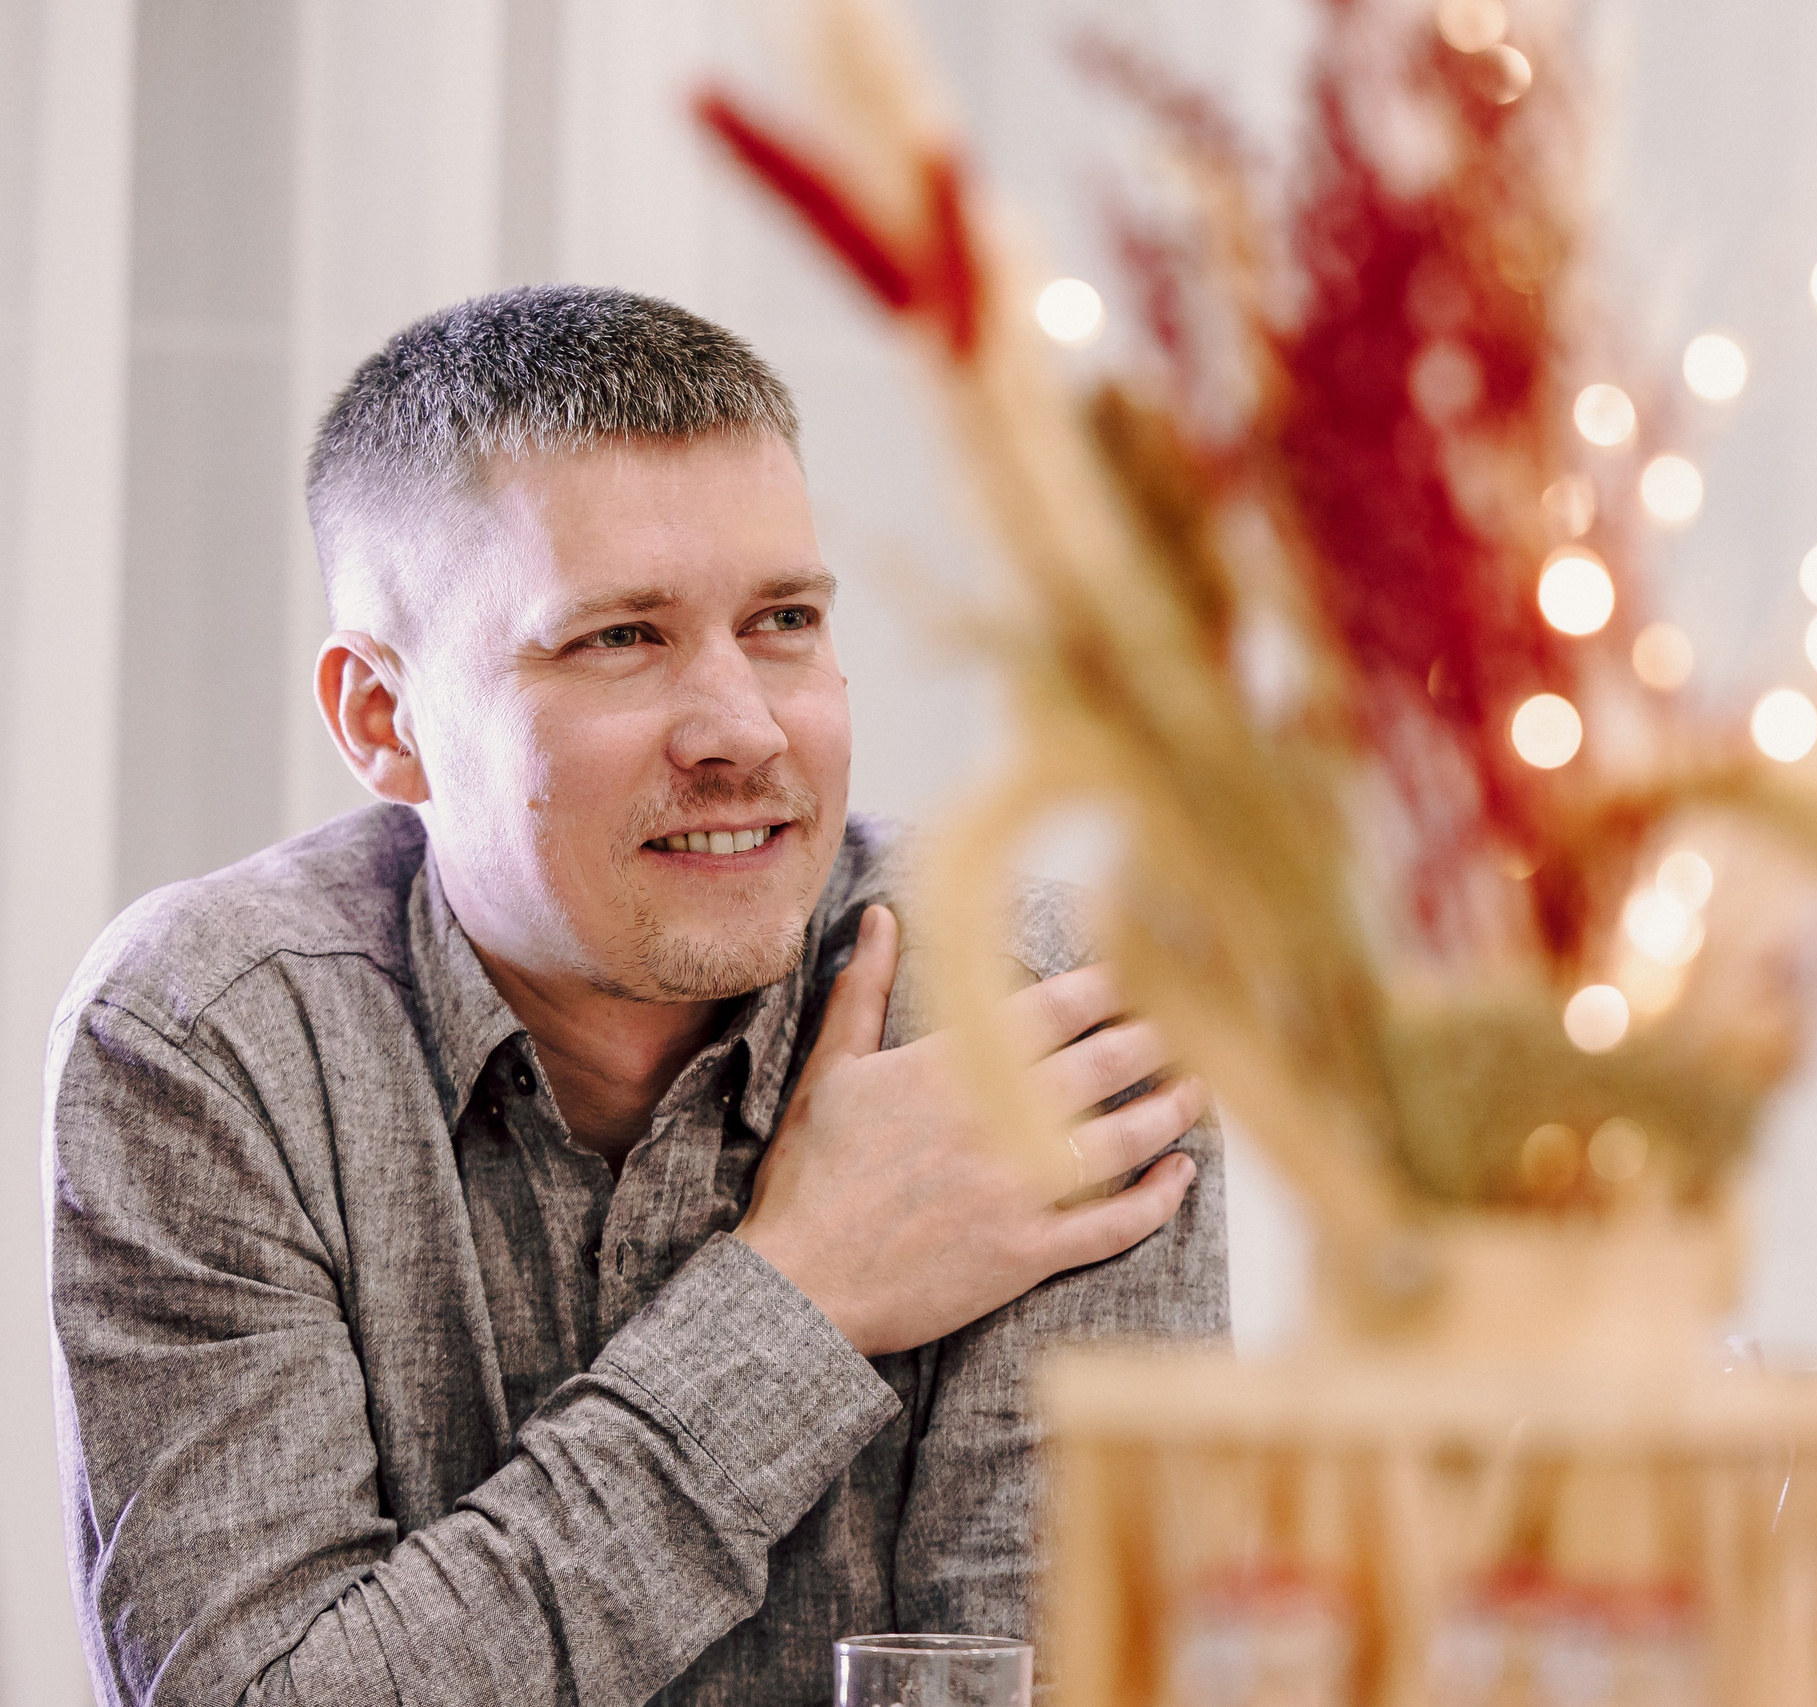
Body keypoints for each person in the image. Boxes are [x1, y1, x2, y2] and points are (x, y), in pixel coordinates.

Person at [45, 285, 1226, 1706]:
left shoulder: (1037, 1017)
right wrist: (798, 1298)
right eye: (619, 637)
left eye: (783, 618)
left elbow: (1048, 1684)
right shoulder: (210, 1041)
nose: (742, 728)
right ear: (384, 717)